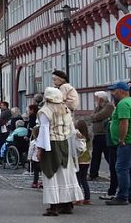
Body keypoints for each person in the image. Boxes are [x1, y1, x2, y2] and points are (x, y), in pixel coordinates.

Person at [35, 86, 83, 216]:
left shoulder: (45, 110)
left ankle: (54, 206)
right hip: (65, 143)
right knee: (65, 174)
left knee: (51, 173)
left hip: (51, 144)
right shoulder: (65, 108)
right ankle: (67, 204)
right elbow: (71, 128)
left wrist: (40, 149)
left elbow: (44, 131)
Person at [106, 81, 131, 206]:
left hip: (127, 141)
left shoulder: (123, 104)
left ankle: (122, 196)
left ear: (121, 91)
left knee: (121, 168)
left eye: (114, 91)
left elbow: (124, 122)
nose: (113, 93)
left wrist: (121, 139)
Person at [88, 91, 114, 182]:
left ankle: (114, 173)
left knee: (108, 155)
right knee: (95, 155)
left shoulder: (109, 106)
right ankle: (93, 174)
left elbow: (99, 116)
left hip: (104, 134)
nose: (96, 100)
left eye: (97, 98)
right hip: (97, 134)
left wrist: (95, 117)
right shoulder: (99, 107)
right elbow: (92, 116)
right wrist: (94, 116)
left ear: (101, 98)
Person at [74, 119, 92, 205]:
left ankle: (78, 198)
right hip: (87, 160)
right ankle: (87, 198)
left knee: (77, 179)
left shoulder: (78, 137)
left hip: (79, 160)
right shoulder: (88, 137)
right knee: (84, 179)